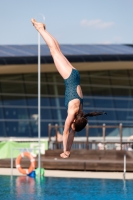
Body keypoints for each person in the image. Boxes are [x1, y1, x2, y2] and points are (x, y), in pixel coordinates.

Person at [31, 19, 106, 158]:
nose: (72, 129)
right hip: (69, 77)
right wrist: (65, 151)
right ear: (74, 122)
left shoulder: (80, 113)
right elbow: (65, 133)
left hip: (75, 76)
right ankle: (40, 29)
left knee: (57, 50)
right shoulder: (72, 113)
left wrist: (68, 150)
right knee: (54, 51)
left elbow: (71, 134)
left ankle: (43, 29)